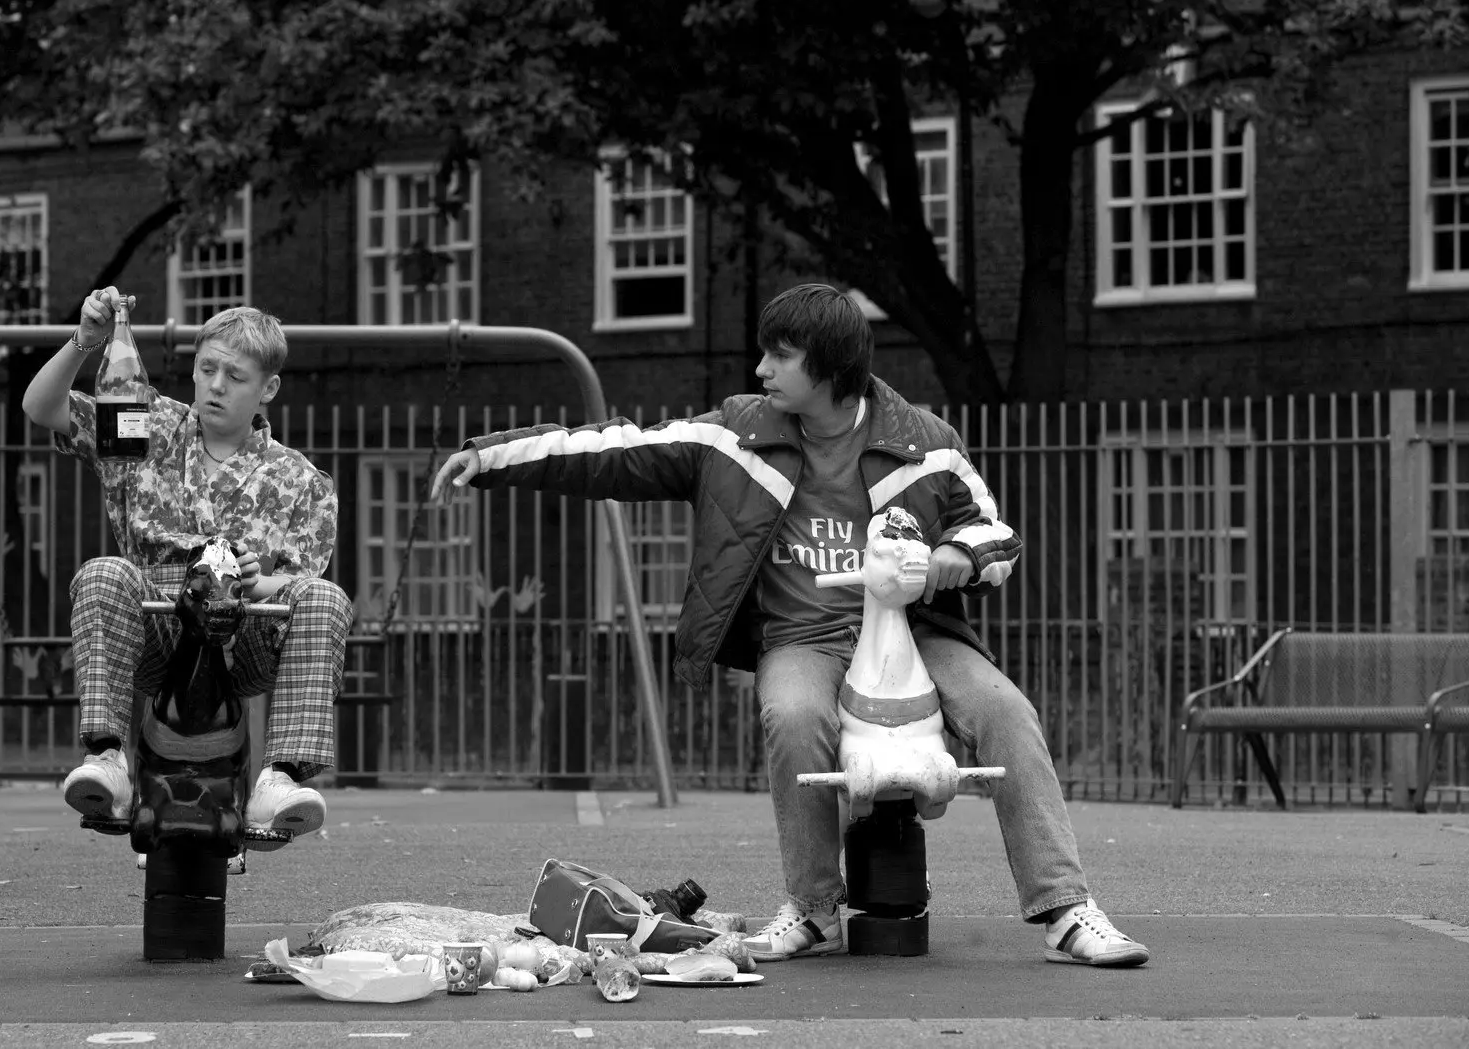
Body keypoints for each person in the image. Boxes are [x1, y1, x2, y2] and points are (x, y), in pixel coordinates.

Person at [430, 283, 1149, 967]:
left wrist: (946, 559)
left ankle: (1065, 908)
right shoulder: (735, 433)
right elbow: (615, 449)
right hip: (801, 638)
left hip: (914, 632)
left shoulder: (923, 441)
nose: (760, 367)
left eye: (779, 355)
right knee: (792, 712)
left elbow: (994, 530)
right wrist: (486, 455)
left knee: (1005, 709)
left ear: (830, 367)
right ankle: (812, 907)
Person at [22, 287, 351, 851]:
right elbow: (41, 408)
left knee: (326, 597)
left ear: (268, 389)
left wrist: (259, 582)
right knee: (104, 571)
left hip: (243, 634)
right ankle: (107, 758)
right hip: (157, 624)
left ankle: (281, 778)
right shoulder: (146, 426)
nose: (217, 386)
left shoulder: (303, 483)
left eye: (236, 376)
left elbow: (299, 583)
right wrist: (85, 342)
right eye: (207, 369)